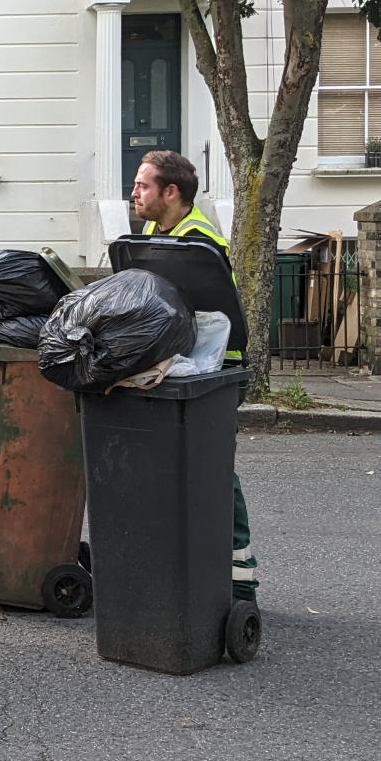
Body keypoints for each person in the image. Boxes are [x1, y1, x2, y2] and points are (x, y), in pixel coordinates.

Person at [128, 150, 259, 604]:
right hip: (178, 364)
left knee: (214, 469)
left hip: (216, 366)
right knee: (171, 468)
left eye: (143, 185)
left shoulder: (200, 243)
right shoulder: (153, 233)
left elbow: (208, 317)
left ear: (171, 192)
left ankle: (240, 577)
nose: (134, 192)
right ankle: (178, 565)